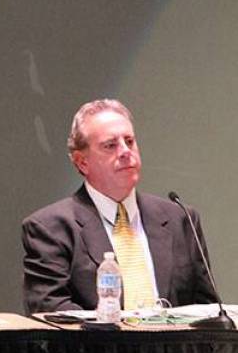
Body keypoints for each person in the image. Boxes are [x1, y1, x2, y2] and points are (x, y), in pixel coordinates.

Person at [22, 99, 217, 313]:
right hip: (96, 346)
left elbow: (208, 310)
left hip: (175, 346)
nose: (125, 151)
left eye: (130, 141)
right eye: (110, 145)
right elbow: (51, 311)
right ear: (82, 162)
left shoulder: (180, 219)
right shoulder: (50, 228)